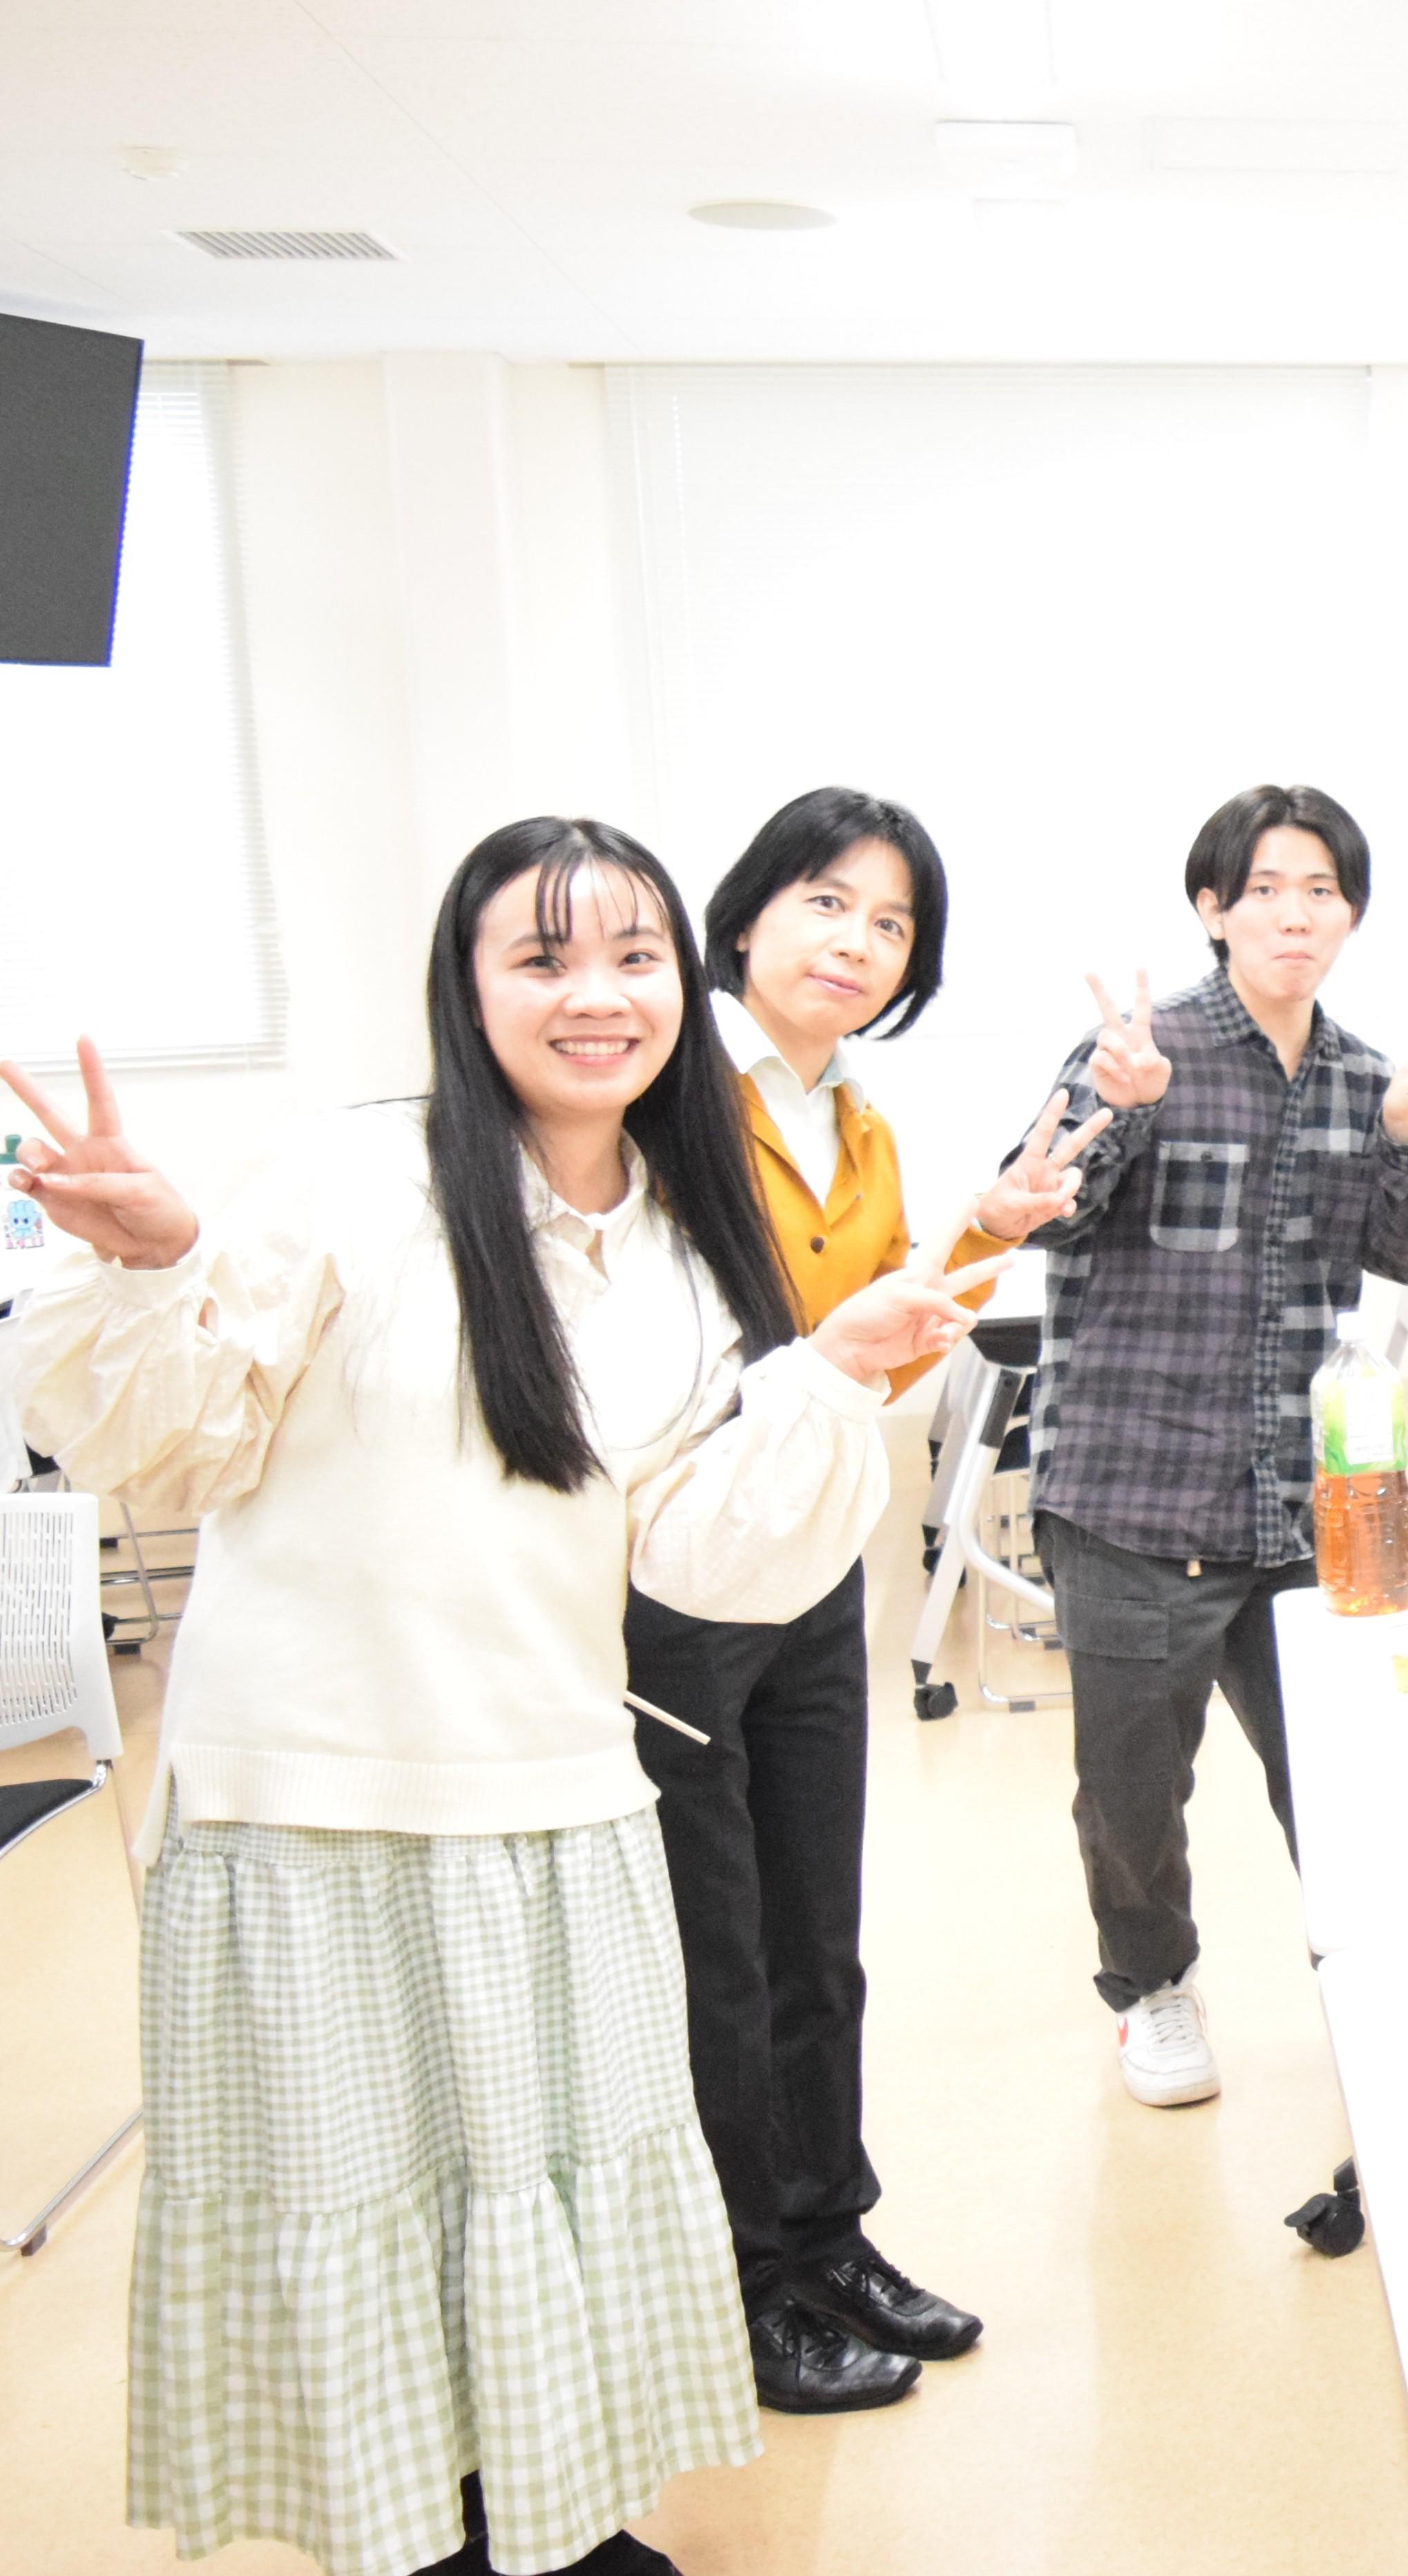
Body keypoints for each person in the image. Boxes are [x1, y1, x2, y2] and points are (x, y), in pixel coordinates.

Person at [1, 820, 996, 2576]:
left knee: (545, 2182)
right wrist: (154, 1262)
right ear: (467, 990)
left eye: (630, 955)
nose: (595, 994)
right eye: (542, 957)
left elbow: (688, 1550)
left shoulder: (690, 1243)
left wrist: (832, 1380)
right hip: (324, 1801)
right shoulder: (352, 1177)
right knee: (372, 2193)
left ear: (678, 982)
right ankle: (417, 2539)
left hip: (559, 1790)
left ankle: (536, 2515)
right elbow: (178, 1447)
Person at [625, 787, 1099, 2414]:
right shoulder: (669, 1095)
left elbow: (879, 1343)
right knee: (722, 1950)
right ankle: (741, 2279)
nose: (857, 940)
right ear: (746, 914)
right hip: (685, 1573)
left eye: (891, 922)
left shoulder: (859, 1118)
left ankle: (828, 2234)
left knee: (817, 1936)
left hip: (815, 1562)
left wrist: (986, 1229)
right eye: (828, 901)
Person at [1012, 782, 1408, 2109]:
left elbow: (1403, 1255)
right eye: (1265, 889)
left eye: (1321, 890)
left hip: (1301, 1501)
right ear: (1213, 909)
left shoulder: (1371, 1077)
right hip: (1133, 1489)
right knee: (1132, 1791)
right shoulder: (1135, 1052)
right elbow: (1044, 1210)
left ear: (1351, 916)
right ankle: (1152, 1989)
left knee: (1342, 1771)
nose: (1294, 914)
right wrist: (1127, 1110)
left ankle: (1374, 1977)